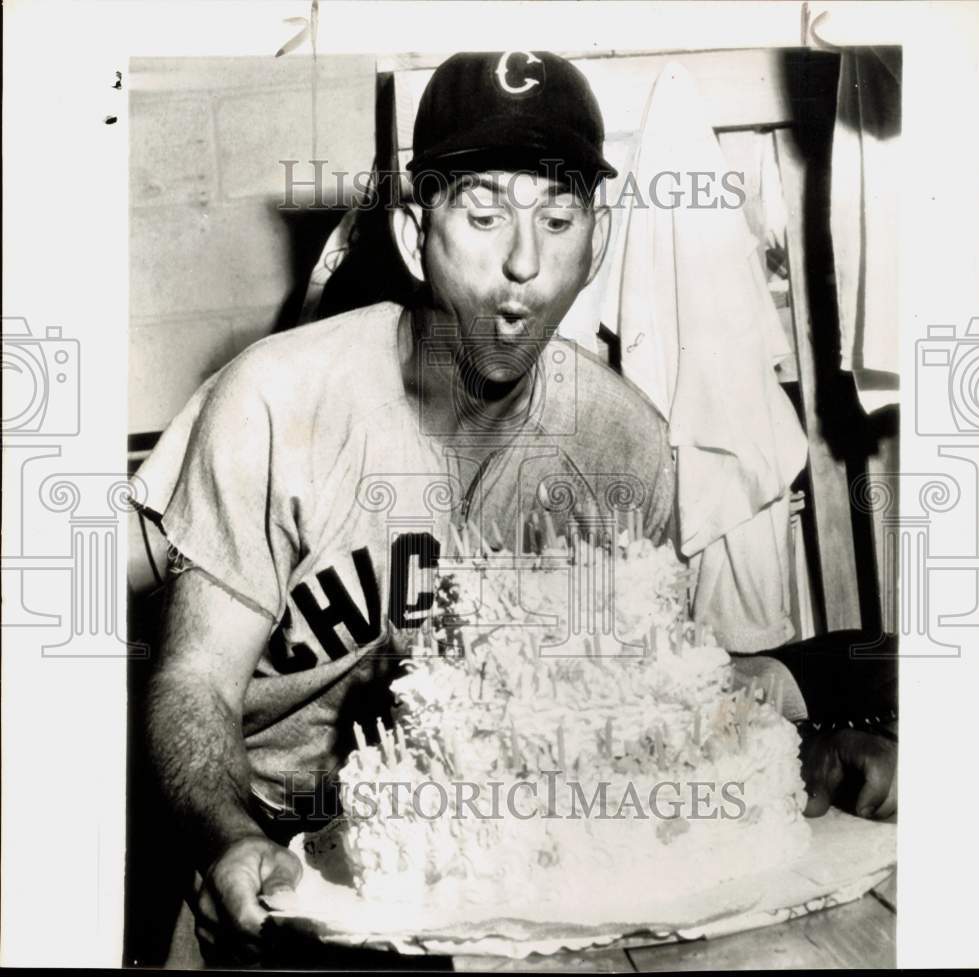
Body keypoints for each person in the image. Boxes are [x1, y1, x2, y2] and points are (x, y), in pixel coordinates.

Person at [138, 51, 896, 965]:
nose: (524, 265)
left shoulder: (622, 447)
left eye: (559, 217)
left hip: (507, 866)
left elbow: (641, 706)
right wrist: (226, 839)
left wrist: (807, 740)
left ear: (598, 241)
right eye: (485, 213)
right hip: (270, 844)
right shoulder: (274, 402)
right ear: (417, 234)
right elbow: (193, 683)